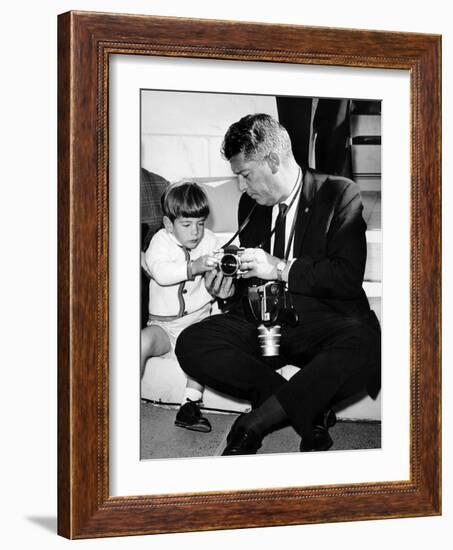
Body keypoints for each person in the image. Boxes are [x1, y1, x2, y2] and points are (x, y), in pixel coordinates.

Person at [175, 113, 381, 454]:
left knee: (366, 341)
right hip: (266, 328)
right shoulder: (251, 204)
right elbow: (246, 283)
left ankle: (254, 423)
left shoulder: (339, 193)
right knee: (193, 342)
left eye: (244, 175)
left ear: (272, 160)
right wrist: (227, 291)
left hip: (322, 327)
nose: (241, 187)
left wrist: (281, 268)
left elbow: (345, 277)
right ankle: (307, 407)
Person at [141, 181, 219, 433]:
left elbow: (217, 281)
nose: (195, 232)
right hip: (163, 326)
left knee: (202, 348)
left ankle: (190, 404)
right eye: (186, 225)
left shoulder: (210, 241)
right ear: (168, 224)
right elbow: (160, 273)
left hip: (196, 323)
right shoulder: (160, 241)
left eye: (200, 223)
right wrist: (192, 267)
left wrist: (220, 278)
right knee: (140, 342)